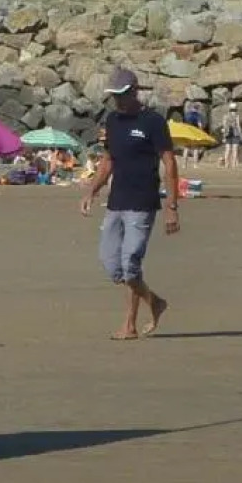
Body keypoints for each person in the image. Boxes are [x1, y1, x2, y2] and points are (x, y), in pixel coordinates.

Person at [80, 68, 179, 341]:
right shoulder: (112, 120)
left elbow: (169, 162)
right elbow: (108, 160)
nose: (118, 101)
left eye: (122, 95)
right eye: (114, 96)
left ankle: (129, 325)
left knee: (130, 264)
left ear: (135, 91)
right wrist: (92, 190)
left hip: (142, 203)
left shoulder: (153, 122)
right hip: (116, 203)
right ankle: (154, 301)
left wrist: (172, 206)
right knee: (112, 265)